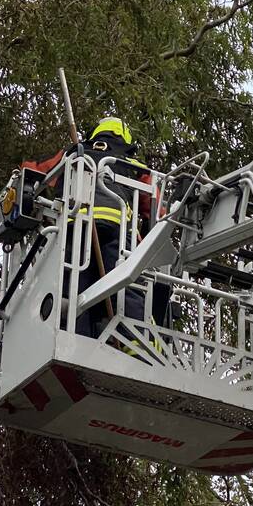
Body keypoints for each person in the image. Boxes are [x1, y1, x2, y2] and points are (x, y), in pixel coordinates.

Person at [21, 116, 169, 340]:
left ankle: (73, 338)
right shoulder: (133, 164)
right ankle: (135, 341)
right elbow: (157, 211)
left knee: (73, 289)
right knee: (124, 285)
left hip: (74, 228)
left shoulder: (73, 153)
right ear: (125, 139)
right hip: (118, 231)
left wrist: (22, 187)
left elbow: (33, 171)